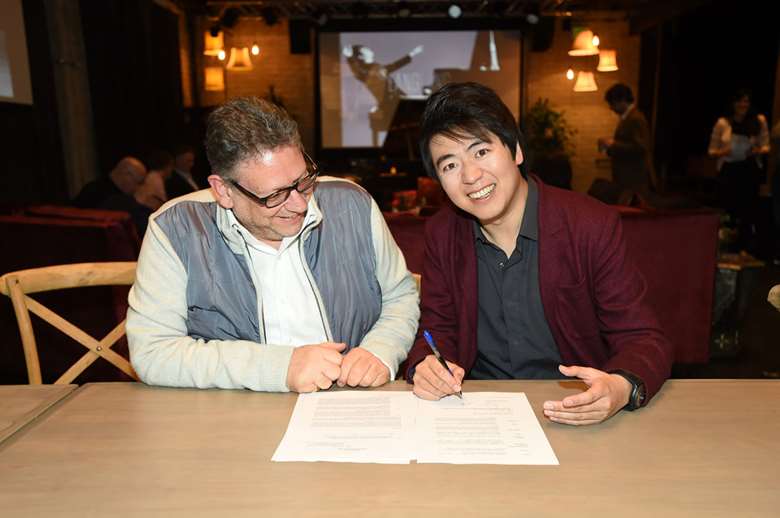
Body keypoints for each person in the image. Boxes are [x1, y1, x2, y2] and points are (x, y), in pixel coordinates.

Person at [407, 82, 673, 426]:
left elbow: (643, 336)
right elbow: (436, 329)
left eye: (481, 152)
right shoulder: (443, 233)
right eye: (450, 166)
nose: (471, 176)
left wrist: (619, 387)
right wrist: (426, 365)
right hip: (478, 415)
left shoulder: (589, 224)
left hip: (575, 412)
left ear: (516, 150)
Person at [127, 97, 419, 392]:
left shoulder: (353, 204)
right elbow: (153, 352)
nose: (299, 205)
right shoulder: (175, 228)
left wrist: (381, 350)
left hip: (351, 403)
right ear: (224, 191)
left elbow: (400, 297)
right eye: (275, 195)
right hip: (238, 413)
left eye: (303, 181)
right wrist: (279, 367)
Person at [708, 89, 770, 253]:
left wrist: (756, 151)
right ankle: (725, 246)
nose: (743, 105)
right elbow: (712, 151)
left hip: (748, 170)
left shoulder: (758, 121)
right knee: (728, 210)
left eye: (746, 101)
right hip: (729, 170)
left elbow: (766, 146)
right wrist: (725, 151)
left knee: (747, 211)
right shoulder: (723, 123)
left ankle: (744, 247)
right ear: (733, 103)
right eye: (740, 101)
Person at [343, 44, 423, 146]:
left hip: (400, 100)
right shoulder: (365, 72)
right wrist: (349, 57)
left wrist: (413, 53)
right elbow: (356, 71)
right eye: (365, 49)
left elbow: (394, 65)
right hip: (390, 106)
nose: (369, 49)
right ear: (361, 56)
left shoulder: (377, 67)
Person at [597, 83, 654, 204]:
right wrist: (609, 148)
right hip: (627, 178)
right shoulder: (628, 118)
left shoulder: (635, 118)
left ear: (622, 100)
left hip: (634, 179)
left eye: (612, 104)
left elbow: (641, 148)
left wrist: (613, 144)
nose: (611, 108)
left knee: (635, 213)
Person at [72, 156, 147, 209]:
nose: (138, 188)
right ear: (126, 174)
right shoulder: (96, 192)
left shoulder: (94, 187)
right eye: (138, 183)